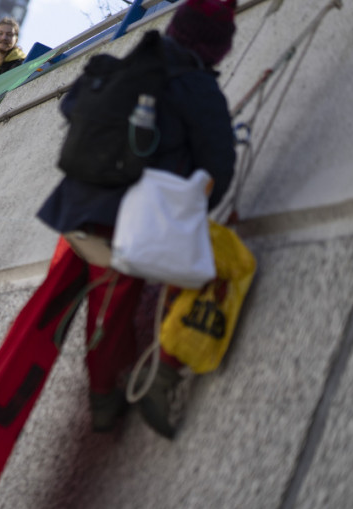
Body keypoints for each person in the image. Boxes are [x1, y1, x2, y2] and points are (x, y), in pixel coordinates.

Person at [35, 0, 237, 438]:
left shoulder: (131, 62)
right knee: (211, 275)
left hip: (76, 206)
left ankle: (107, 393)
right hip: (131, 221)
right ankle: (151, 381)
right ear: (215, 45)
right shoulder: (196, 86)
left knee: (106, 308)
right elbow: (218, 169)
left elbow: (72, 108)